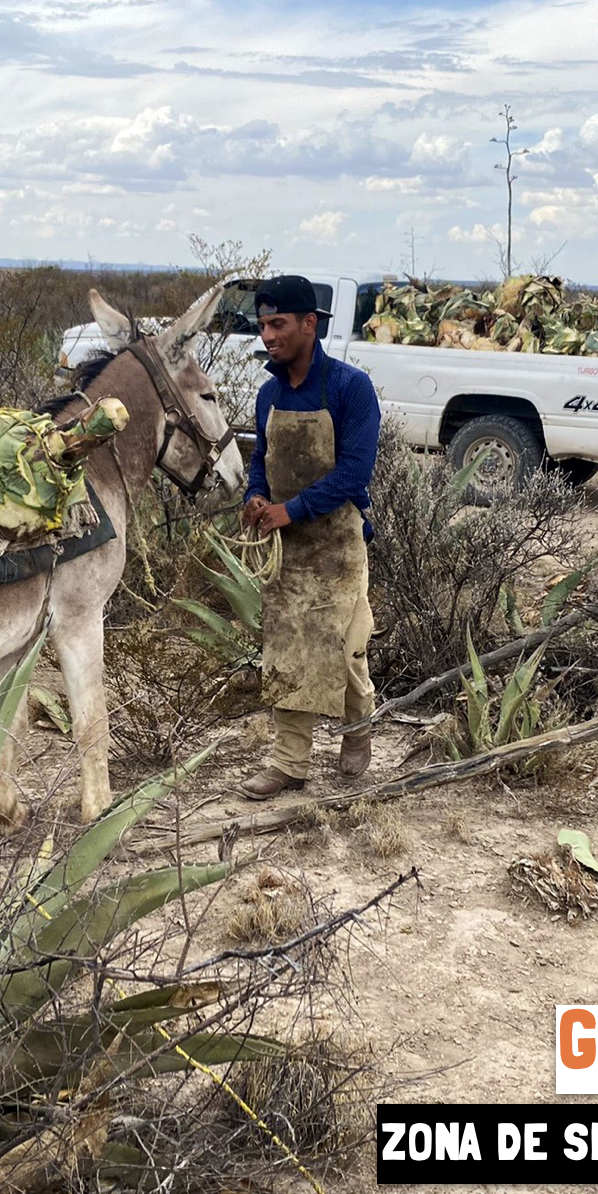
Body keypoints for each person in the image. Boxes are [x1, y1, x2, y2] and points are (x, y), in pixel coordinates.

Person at [236, 275, 381, 800]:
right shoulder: (268, 393)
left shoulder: (350, 388)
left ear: (308, 324)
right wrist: (256, 497)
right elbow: (260, 460)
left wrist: (288, 509)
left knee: (345, 650)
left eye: (278, 324)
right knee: (289, 651)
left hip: (338, 545)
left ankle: (357, 724)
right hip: (287, 549)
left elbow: (354, 474)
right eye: (263, 326)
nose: (268, 335)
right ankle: (289, 763)